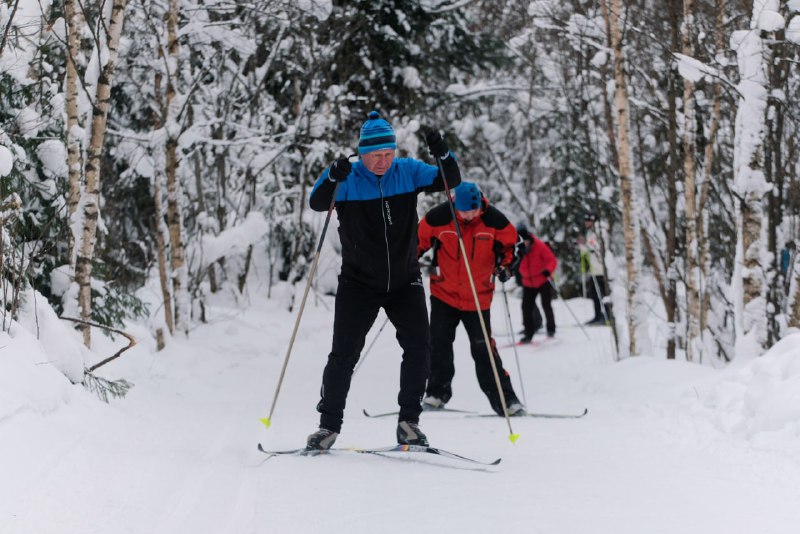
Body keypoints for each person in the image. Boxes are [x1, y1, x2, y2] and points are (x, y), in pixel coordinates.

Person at [305, 111, 461, 451]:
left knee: (420, 347)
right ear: (362, 153)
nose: (382, 162)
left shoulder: (408, 171)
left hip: (405, 280)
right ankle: (327, 426)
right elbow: (317, 201)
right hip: (358, 283)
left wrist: (443, 152)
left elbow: (451, 182)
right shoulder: (348, 177)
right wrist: (333, 175)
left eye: (388, 154)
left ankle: (409, 423)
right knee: (344, 354)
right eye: (375, 155)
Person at [417, 182, 526, 416]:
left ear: (480, 206)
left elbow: (514, 247)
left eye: (472, 211)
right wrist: (407, 263)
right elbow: (417, 241)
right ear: (455, 205)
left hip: (478, 297)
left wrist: (507, 267)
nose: (467, 215)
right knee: (438, 345)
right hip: (443, 293)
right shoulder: (439, 217)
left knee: (483, 349)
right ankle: (436, 393)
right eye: (463, 211)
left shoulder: (494, 221)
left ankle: (506, 401)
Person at [516, 227, 558, 342]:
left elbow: (552, 260)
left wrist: (548, 270)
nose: (524, 243)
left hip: (542, 280)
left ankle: (551, 329)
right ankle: (529, 333)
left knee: (546, 304)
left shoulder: (539, 246)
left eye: (526, 240)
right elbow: (514, 263)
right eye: (521, 241)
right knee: (526, 307)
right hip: (528, 282)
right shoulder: (518, 250)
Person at [579, 212, 609, 325]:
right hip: (594, 270)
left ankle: (607, 316)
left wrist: (584, 246)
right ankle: (598, 315)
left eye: (588, 221)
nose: (586, 223)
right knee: (595, 294)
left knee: (602, 294)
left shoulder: (599, 231)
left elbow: (595, 248)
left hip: (601, 270)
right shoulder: (590, 232)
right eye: (585, 220)